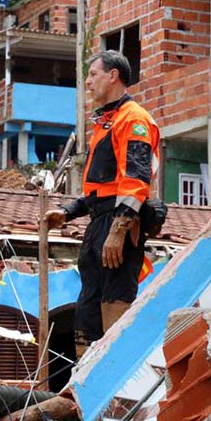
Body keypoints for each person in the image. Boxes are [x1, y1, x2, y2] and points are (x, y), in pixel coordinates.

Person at [44, 51, 160, 358]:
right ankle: (84, 378)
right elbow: (103, 188)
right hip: (99, 223)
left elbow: (135, 179)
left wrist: (118, 231)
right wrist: (68, 212)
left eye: (93, 74)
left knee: (114, 302)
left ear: (113, 76)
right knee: (88, 308)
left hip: (119, 222)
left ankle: (114, 371)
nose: (88, 81)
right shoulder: (106, 122)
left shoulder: (133, 119)